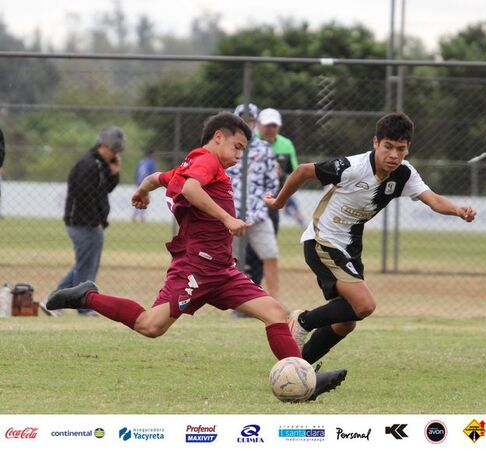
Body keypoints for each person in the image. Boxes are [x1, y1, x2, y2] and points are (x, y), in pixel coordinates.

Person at [46, 112, 346, 401]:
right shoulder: (206, 161)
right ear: (218, 137)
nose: (239, 155)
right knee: (150, 326)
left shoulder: (190, 164)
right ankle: (87, 296)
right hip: (196, 269)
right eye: (237, 146)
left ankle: (302, 377)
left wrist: (142, 191)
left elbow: (158, 177)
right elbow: (190, 188)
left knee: (275, 313)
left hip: (223, 272)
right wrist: (227, 220)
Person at [265, 112, 477, 365]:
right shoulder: (353, 167)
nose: (394, 155)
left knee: (346, 323)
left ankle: (298, 367)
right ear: (375, 142)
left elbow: (433, 199)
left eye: (401, 149)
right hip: (322, 241)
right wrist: (279, 202)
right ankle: (302, 321)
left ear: (408, 148)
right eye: (388, 147)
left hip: (349, 247)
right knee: (364, 305)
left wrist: (457, 210)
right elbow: (301, 171)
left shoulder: (404, 174)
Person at [49, 127, 125, 317]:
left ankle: (53, 301)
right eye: (113, 151)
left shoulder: (99, 165)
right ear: (104, 146)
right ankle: (84, 307)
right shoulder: (88, 165)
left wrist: (114, 173)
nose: (115, 155)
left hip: (88, 223)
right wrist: (94, 222)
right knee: (86, 266)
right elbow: (84, 197)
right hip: (83, 224)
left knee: (84, 264)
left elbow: (104, 189)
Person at [227, 104, 281, 302]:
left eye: (250, 120)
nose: (246, 123)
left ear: (255, 122)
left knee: (270, 255)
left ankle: (275, 301)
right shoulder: (226, 148)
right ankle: (237, 302)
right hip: (230, 216)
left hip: (258, 215)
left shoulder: (265, 149)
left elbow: (272, 182)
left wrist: (260, 205)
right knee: (231, 262)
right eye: (242, 119)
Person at [257, 107, 301, 233]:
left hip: (273, 197)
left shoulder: (286, 144)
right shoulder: (249, 141)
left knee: (271, 231)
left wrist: (284, 194)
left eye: (273, 126)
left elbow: (293, 173)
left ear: (279, 127)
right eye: (267, 125)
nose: (270, 129)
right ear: (259, 126)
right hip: (252, 196)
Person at [132, 150, 158, 222]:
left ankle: (135, 216)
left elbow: (136, 172)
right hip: (146, 184)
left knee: (137, 199)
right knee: (144, 200)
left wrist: (136, 181)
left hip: (138, 183)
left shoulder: (141, 162)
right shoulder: (152, 163)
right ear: (151, 155)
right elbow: (154, 173)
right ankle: (142, 217)